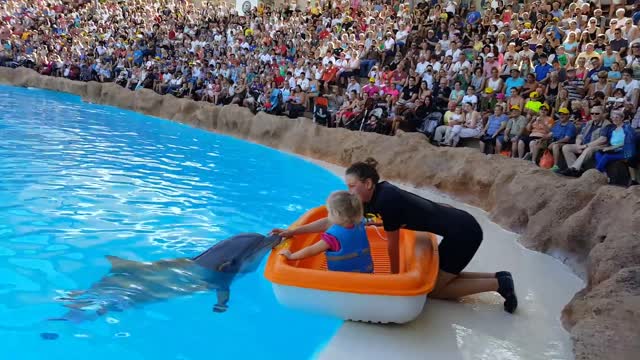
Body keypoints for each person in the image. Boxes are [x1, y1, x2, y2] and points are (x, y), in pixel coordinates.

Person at [272, 159, 518, 314]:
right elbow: (332, 220)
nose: (349, 190)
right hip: (459, 224)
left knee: (434, 291)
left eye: (351, 186)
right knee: (442, 276)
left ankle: (498, 284)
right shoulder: (373, 196)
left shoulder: (387, 201)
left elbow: (391, 246)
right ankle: (499, 277)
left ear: (368, 183)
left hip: (464, 233)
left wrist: (394, 281)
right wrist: (293, 232)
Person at [278, 191, 374, 273]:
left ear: (336, 213)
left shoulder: (333, 237)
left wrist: (291, 256)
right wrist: (293, 232)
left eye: (329, 211)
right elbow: (325, 223)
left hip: (343, 280)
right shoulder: (358, 222)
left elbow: (311, 250)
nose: (327, 215)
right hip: (366, 272)